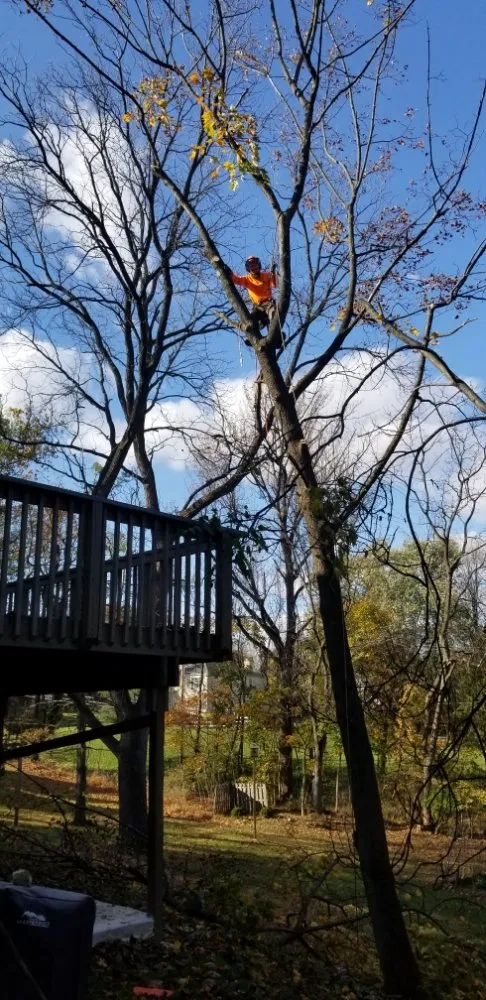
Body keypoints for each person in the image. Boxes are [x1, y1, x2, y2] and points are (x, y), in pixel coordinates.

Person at [230, 256, 278, 331]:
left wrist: (273, 274)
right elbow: (236, 280)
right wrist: (228, 272)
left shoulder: (266, 275)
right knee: (251, 321)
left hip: (269, 303)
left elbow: (274, 284)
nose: (254, 269)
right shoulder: (247, 279)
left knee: (272, 313)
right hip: (258, 307)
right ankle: (256, 331)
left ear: (259, 266)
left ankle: (276, 333)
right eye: (251, 267)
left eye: (255, 266)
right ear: (248, 269)